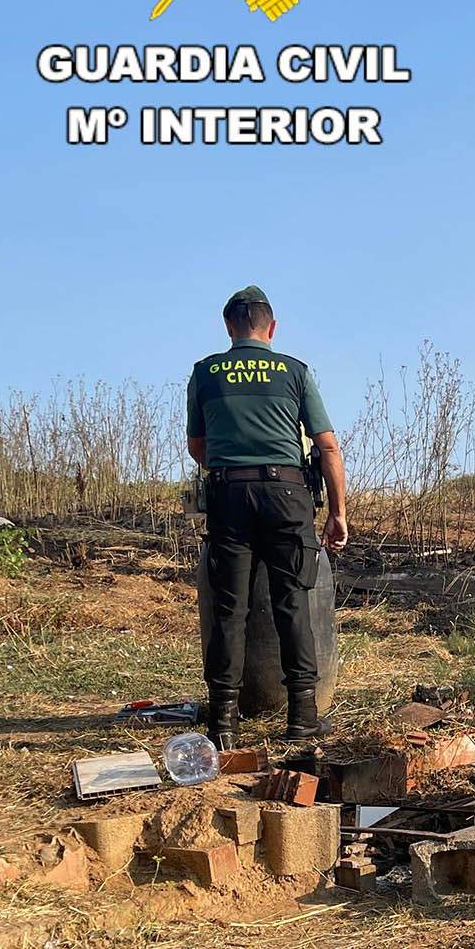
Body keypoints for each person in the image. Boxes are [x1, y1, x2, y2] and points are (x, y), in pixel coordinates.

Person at [186, 285, 348, 749]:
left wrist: (235, 470)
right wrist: (338, 513)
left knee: (228, 608)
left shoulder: (205, 373)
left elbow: (199, 448)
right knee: (292, 602)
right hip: (287, 494)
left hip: (227, 494)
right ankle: (302, 718)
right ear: (271, 328)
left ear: (228, 327)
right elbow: (327, 446)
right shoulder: (294, 371)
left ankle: (222, 724)